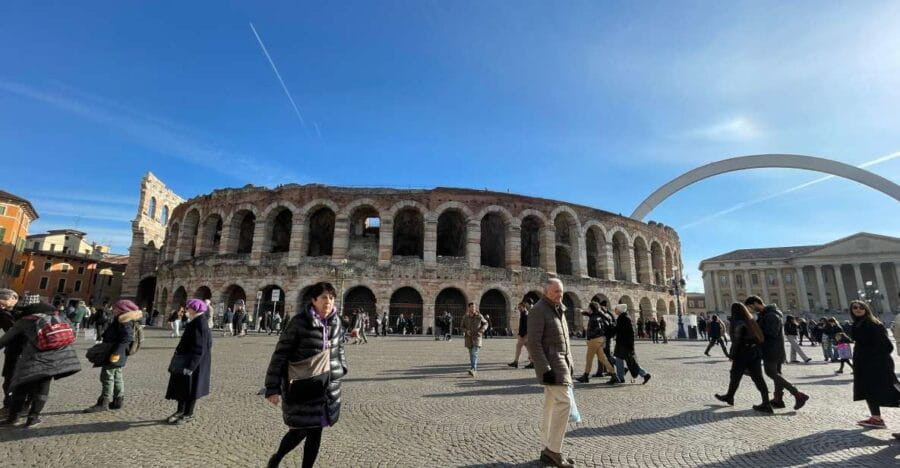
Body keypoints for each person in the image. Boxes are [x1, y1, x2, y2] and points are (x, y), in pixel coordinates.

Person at [264, 282, 347, 468]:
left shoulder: (336, 321)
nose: (328, 301)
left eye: (331, 298)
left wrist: (341, 368)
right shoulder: (299, 322)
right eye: (324, 297)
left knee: (316, 431)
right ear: (313, 300)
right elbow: (280, 356)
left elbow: (339, 348)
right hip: (302, 384)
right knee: (299, 430)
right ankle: (277, 457)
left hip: (325, 386)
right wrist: (272, 387)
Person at [0, 302, 81, 427]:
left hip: (32, 358)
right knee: (43, 387)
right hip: (54, 359)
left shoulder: (27, 320)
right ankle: (33, 418)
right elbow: (73, 334)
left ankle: (13, 418)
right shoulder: (61, 318)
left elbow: (5, 339)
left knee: (21, 386)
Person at [525, 278, 576, 468]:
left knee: (551, 407)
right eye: (555, 291)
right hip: (552, 366)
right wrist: (544, 368)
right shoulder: (538, 310)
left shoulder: (559, 308)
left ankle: (547, 448)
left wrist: (571, 360)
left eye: (561, 291)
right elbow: (534, 343)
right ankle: (554, 451)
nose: (559, 295)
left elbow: (565, 338)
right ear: (545, 291)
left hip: (562, 363)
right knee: (565, 403)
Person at [745, 296, 809, 411]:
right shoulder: (767, 314)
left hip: (772, 349)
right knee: (777, 374)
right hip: (775, 349)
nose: (752, 310)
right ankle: (778, 399)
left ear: (756, 303)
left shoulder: (771, 315)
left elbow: (771, 333)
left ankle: (798, 394)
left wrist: (756, 332)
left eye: (751, 307)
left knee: (771, 373)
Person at [83, 300, 142, 413]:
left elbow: (127, 338)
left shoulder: (123, 321)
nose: (112, 310)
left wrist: (116, 353)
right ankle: (117, 401)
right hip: (118, 352)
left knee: (107, 377)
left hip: (115, 352)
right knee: (117, 376)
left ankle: (103, 403)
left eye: (115, 308)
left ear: (122, 310)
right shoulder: (124, 319)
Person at [849, 300, 900, 429]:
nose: (858, 309)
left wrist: (874, 360)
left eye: (861, 307)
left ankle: (876, 418)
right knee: (868, 390)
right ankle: (876, 418)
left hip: (877, 364)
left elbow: (886, 346)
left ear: (866, 309)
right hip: (865, 364)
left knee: (892, 390)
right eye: (855, 308)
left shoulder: (872, 323)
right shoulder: (857, 324)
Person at [714, 303, 771, 413]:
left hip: (743, 353)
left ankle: (730, 396)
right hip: (755, 352)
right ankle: (766, 402)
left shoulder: (738, 323)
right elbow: (760, 338)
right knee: (758, 378)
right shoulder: (751, 320)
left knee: (735, 375)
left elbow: (737, 340)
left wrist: (732, 354)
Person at [164, 299, 212, 425]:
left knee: (191, 389)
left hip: (194, 362)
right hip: (187, 359)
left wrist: (191, 366)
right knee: (183, 387)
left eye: (188, 307)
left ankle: (188, 413)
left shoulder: (200, 323)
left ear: (194, 309)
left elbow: (200, 348)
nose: (186, 309)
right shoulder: (195, 321)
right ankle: (180, 411)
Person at [610, 305, 651, 385]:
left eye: (616, 309)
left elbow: (630, 333)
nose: (615, 310)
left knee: (628, 362)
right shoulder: (622, 318)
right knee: (624, 361)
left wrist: (631, 346)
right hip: (623, 344)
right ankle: (643, 375)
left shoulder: (624, 319)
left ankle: (622, 377)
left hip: (624, 344)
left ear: (620, 310)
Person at [575, 301, 615, 383]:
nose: (588, 308)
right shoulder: (596, 315)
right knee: (603, 358)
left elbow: (598, 328)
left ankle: (585, 376)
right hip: (598, 340)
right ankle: (614, 375)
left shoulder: (595, 318)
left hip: (594, 340)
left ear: (591, 308)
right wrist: (582, 311)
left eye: (589, 307)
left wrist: (590, 337)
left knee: (589, 359)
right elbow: (589, 314)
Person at [0, 289, 21, 416]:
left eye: (3, 302)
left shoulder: (24, 311)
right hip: (11, 350)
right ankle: (8, 406)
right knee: (8, 380)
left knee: (17, 380)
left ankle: (16, 408)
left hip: (25, 350)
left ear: (14, 298)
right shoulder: (3, 313)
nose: (1, 305)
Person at [462, 302, 488, 377]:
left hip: (477, 337)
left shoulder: (479, 316)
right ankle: (472, 368)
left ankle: (474, 369)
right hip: (469, 338)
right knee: (471, 354)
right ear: (469, 308)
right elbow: (462, 327)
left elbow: (486, 323)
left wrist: (482, 330)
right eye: (472, 307)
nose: (473, 308)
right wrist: (466, 331)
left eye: (474, 307)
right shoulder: (465, 317)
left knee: (474, 353)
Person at [508, 302, 533, 369]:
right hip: (525, 334)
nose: (519, 308)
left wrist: (521, 335)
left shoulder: (525, 314)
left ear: (524, 307)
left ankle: (516, 362)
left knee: (518, 347)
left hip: (524, 335)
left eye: (520, 307)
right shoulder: (524, 313)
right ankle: (532, 362)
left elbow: (525, 326)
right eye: (518, 307)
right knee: (529, 348)